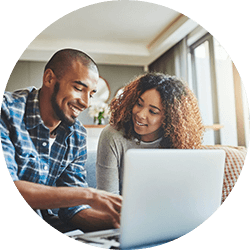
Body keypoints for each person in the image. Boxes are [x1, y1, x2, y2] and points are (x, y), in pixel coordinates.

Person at [0, 48, 122, 233]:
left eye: (90, 94)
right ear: (49, 78)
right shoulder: (6, 111)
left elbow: (74, 210)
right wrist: (90, 195)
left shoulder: (77, 135)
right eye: (79, 88)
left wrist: (119, 220)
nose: (86, 103)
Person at [96, 73, 205, 195]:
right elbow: (107, 198)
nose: (140, 115)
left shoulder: (179, 141)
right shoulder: (112, 136)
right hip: (120, 211)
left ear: (169, 118)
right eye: (139, 104)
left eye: (153, 111)